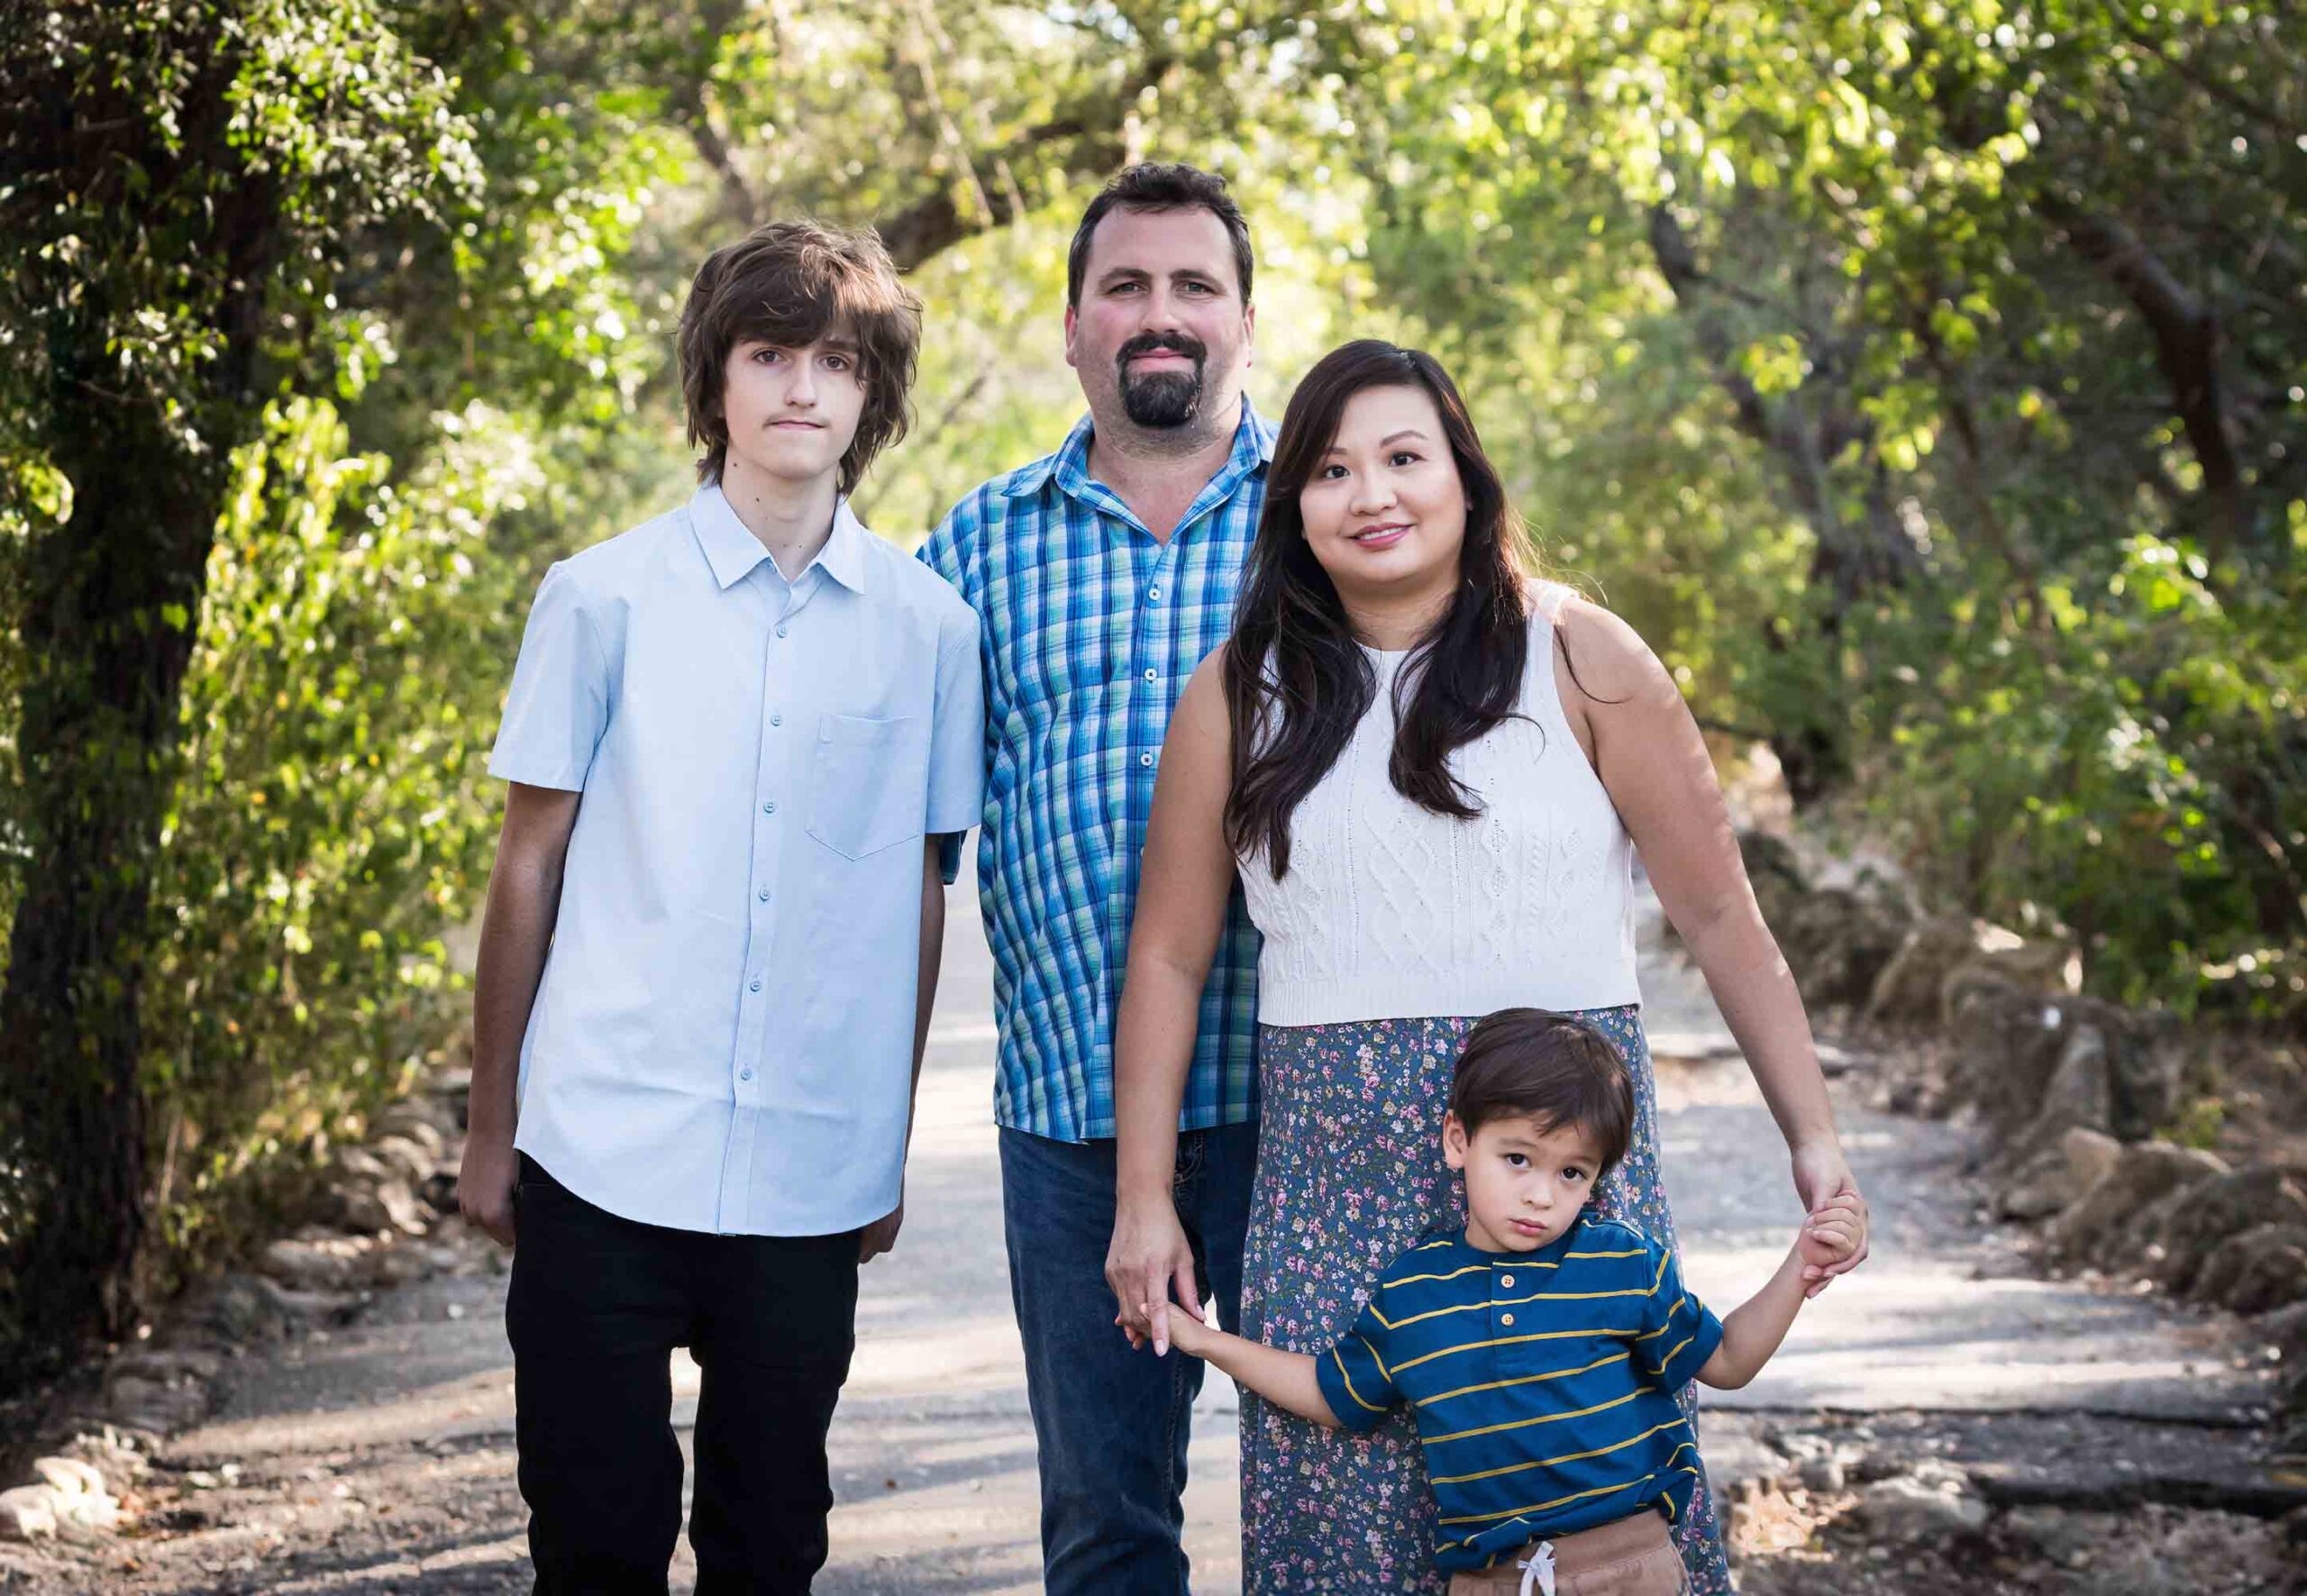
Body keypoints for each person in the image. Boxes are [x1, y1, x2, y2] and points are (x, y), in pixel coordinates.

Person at [1109, 339, 1871, 1592]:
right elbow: (1170, 954)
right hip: (1332, 1192)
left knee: (1593, 1541)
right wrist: (1147, 1194)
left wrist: (1815, 1133)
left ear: (1465, 476)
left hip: (1561, 1170)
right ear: (1293, 502)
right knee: (1345, 1528)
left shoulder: (1582, 655)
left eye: (1405, 457)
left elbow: (1724, 916)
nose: (1372, 494)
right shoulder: (1240, 692)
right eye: (1333, 469)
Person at [461, 218, 984, 1595]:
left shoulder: (930, 628)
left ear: (872, 396)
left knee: (769, 1541)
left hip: (811, 1170)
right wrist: (491, 1127)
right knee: (594, 1536)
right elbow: (529, 866)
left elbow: (921, 893)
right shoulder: (602, 597)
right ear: (716, 384)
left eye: (837, 359)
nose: (802, 386)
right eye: (770, 353)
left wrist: (882, 1133)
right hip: (602, 1146)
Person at [915, 162, 1270, 1593]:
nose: (1160, 314)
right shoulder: (976, 547)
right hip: (1069, 1117)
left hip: (1308, 1099)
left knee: (1351, 1494)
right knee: (1107, 1526)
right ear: (1072, 326)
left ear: (1246, 319)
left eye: (1195, 286)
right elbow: (901, 837)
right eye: (1125, 286)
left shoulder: (1329, 521)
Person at [1142, 1008, 1862, 1596]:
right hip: (1489, 1579)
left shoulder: (1619, 1263)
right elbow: (1333, 1392)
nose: (1541, 1194)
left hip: (1630, 1566)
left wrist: (1800, 1266)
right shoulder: (1416, 1292)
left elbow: (1729, 1359)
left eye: (1571, 1171)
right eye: (1517, 1157)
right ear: (1459, 1139)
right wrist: (1205, 1339)